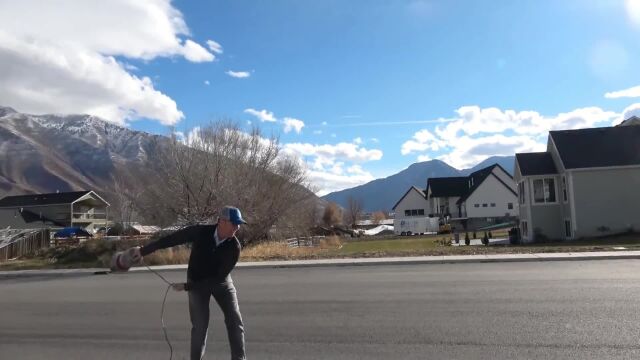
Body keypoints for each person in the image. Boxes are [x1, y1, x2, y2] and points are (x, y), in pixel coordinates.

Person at [132, 205, 247, 360]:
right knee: (200, 326)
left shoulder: (234, 247)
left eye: (238, 224)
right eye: (234, 223)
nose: (237, 227)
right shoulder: (200, 232)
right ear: (221, 222)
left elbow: (217, 279)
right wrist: (143, 251)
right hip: (196, 280)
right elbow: (171, 239)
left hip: (221, 282)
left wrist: (187, 287)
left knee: (234, 319)